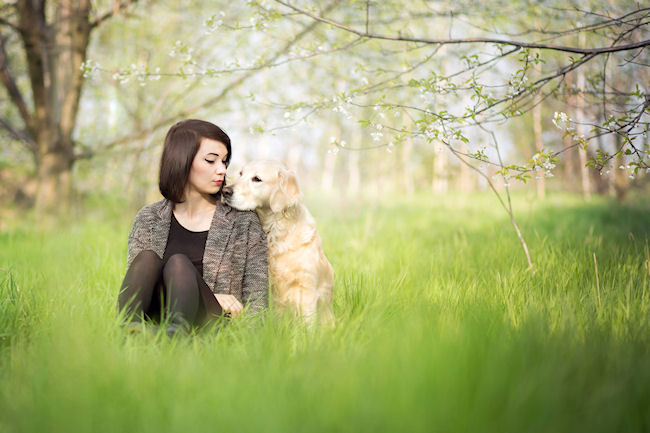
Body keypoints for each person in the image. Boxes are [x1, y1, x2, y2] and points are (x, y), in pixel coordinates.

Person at [118, 119, 268, 335]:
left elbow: (258, 298)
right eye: (211, 160)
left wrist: (250, 345)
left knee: (178, 263)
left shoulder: (243, 221)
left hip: (210, 325)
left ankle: (176, 336)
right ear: (182, 160)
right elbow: (138, 288)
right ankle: (127, 335)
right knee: (146, 258)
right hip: (155, 316)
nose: (222, 169)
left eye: (224, 161)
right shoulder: (148, 218)